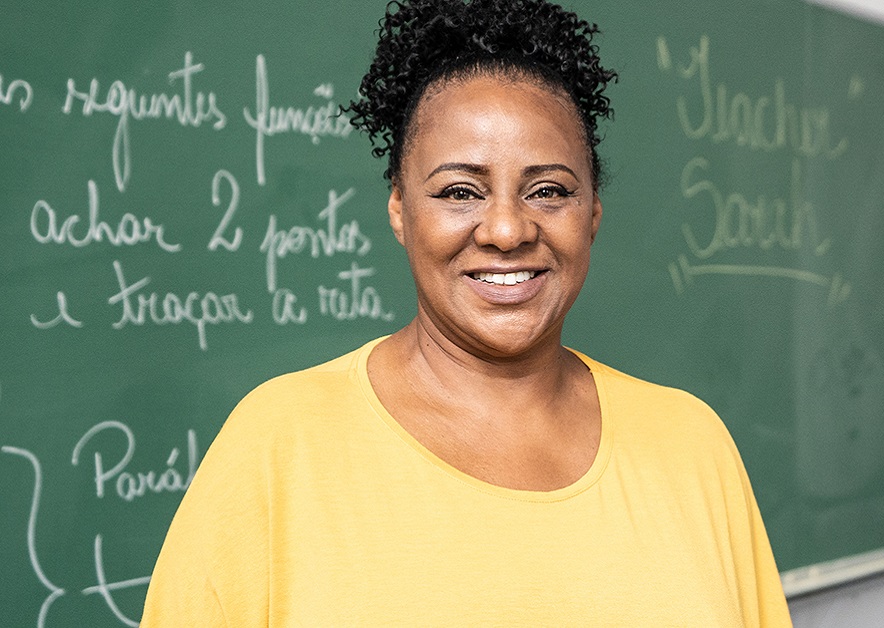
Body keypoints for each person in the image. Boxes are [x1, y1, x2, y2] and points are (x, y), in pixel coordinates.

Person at [141, 0, 791, 625]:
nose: (507, 229)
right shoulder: (276, 448)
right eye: (459, 191)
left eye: (549, 191)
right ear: (400, 209)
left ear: (593, 211)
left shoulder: (693, 446)